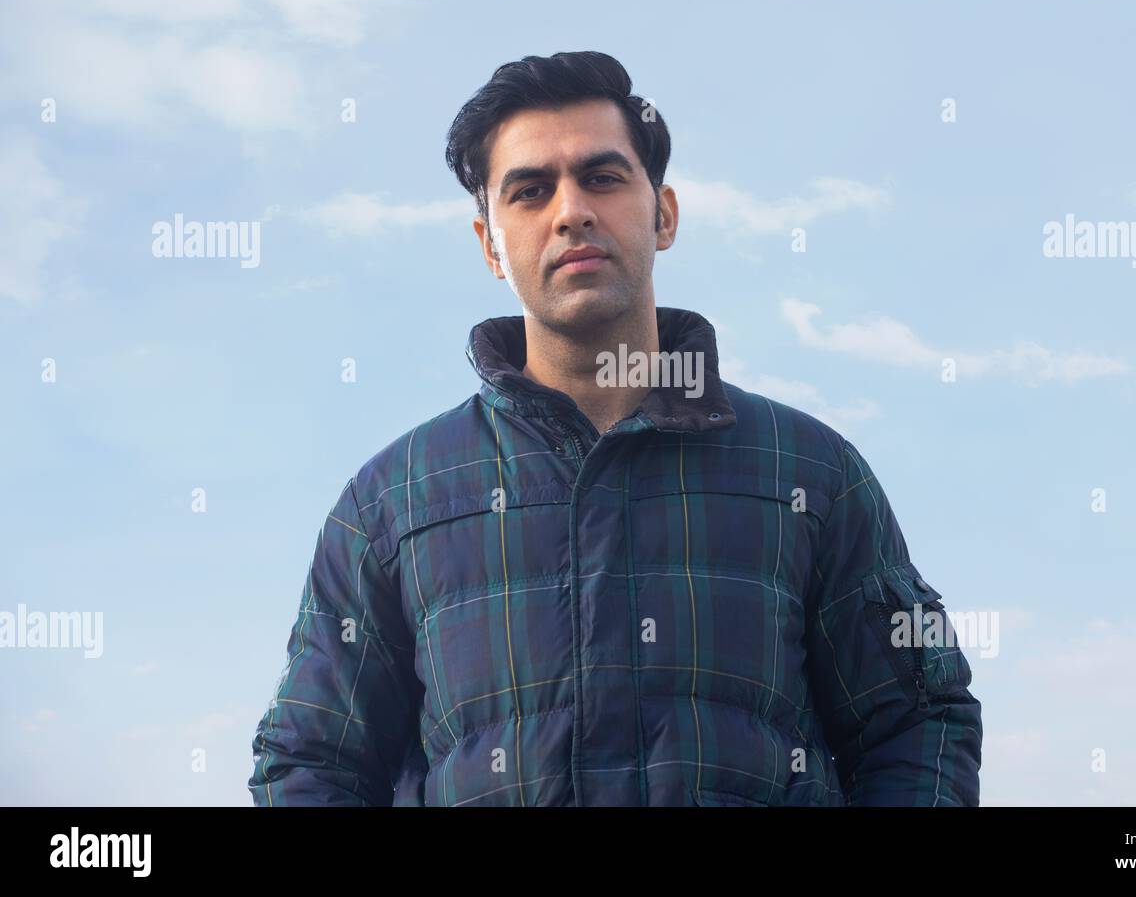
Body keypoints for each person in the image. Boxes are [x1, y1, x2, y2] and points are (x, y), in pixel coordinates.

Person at [248, 51, 982, 806]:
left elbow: (919, 724)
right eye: (530, 191)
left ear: (663, 214)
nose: (570, 211)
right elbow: (310, 762)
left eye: (602, 177)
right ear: (489, 245)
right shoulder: (388, 505)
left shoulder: (811, 473)